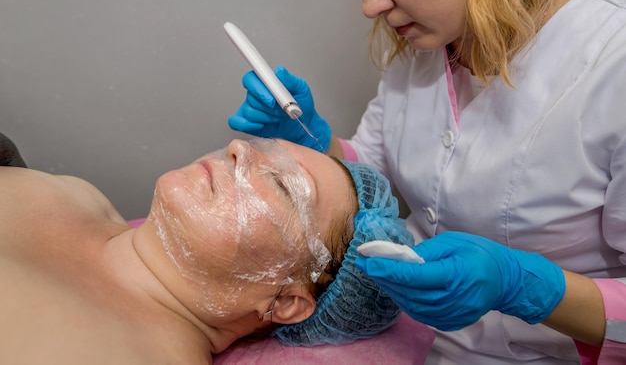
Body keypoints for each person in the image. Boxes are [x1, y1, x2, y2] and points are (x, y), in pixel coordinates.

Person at [227, 0, 626, 363]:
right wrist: (314, 141)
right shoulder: (432, 40)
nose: (369, 5)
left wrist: (526, 287)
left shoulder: (614, 65)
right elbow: (375, 170)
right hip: (408, 339)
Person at [0, 135, 414, 364]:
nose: (239, 147)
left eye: (283, 185)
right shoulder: (82, 197)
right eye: (266, 147)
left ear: (286, 300)